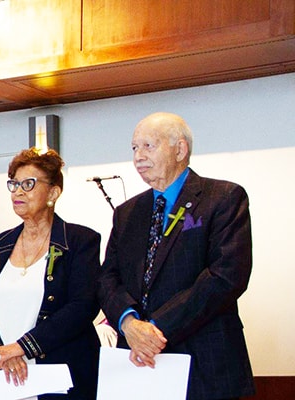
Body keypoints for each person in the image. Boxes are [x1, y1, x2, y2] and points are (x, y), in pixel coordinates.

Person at [97, 112, 254, 399]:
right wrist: (128, 323)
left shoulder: (223, 198)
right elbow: (108, 277)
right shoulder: (127, 213)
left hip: (204, 365)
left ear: (180, 149)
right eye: (134, 148)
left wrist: (156, 330)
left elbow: (226, 276)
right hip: (137, 363)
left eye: (149, 146)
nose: (138, 157)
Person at [0, 149, 101, 400]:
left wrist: (22, 348)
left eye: (28, 184)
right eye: (14, 184)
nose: (18, 191)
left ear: (53, 192)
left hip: (60, 374)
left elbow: (82, 307)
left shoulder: (80, 241)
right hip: (2, 375)